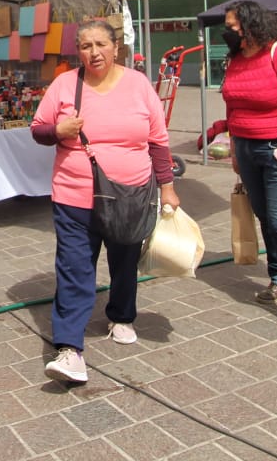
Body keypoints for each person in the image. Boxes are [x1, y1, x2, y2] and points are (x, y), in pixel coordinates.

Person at [30, 19, 178, 384]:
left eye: (100, 44)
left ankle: (122, 315)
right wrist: (57, 131)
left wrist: (168, 187)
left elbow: (158, 140)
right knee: (74, 268)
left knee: (125, 259)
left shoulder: (139, 85)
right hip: (74, 195)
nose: (93, 52)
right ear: (77, 51)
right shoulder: (66, 84)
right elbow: (38, 130)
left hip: (131, 192)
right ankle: (69, 348)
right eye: (84, 46)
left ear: (116, 47)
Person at [220, 1, 277, 335]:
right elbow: (232, 106)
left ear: (251, 25)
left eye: (232, 26)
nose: (227, 32)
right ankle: (276, 279)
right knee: (264, 217)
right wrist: (235, 150)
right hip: (246, 149)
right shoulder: (235, 60)